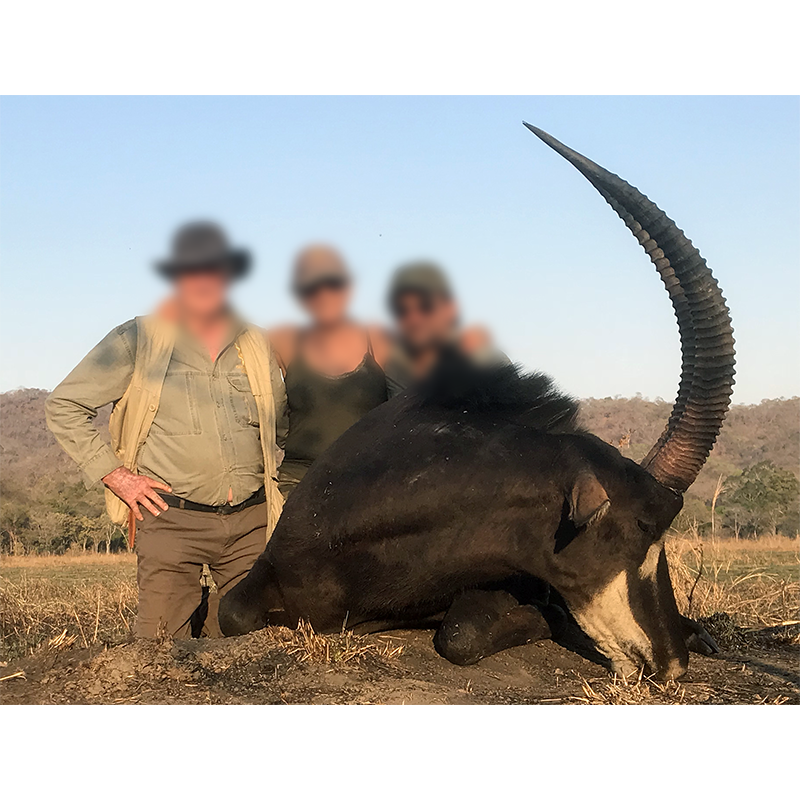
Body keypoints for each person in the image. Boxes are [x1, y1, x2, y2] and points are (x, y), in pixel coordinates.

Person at [45, 222, 287, 639]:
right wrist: (116, 476)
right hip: (171, 519)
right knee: (158, 649)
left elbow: (280, 425)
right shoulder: (138, 339)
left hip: (252, 521)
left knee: (255, 643)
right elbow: (64, 405)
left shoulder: (257, 343)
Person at [270, 245, 391, 498]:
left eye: (333, 282)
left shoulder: (378, 338)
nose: (323, 293)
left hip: (366, 484)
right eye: (311, 285)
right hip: (296, 486)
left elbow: (414, 408)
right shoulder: (282, 340)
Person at [385, 259, 508, 395]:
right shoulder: (391, 370)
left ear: (450, 308)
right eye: (402, 309)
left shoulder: (489, 362)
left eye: (426, 306)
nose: (413, 319)